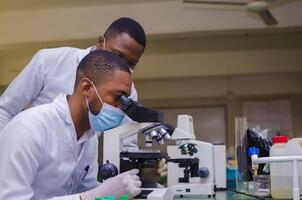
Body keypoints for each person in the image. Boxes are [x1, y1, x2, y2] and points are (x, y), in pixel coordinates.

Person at [0, 50, 142, 200]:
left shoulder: (90, 138)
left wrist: (110, 194)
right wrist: (87, 197)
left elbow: (89, 191)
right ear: (86, 88)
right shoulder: (29, 128)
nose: (121, 108)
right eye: (118, 97)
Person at [0, 17, 146, 132]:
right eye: (118, 55)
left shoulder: (128, 92)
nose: (121, 65)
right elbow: (5, 110)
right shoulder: (50, 60)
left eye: (130, 64)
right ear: (101, 42)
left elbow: (124, 142)